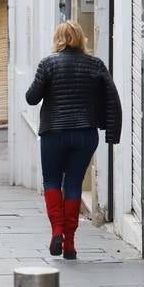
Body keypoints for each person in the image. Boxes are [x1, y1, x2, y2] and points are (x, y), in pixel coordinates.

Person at [25, 20, 122, 260]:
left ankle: (57, 230)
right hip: (85, 133)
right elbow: (113, 99)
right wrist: (112, 133)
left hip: (54, 133)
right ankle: (70, 244)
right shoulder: (95, 65)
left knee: (51, 181)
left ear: (57, 39)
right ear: (81, 39)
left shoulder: (48, 64)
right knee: (74, 183)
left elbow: (31, 98)